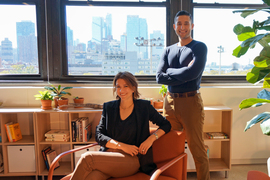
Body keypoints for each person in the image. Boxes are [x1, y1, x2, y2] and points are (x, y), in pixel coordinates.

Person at [70, 71, 171, 180]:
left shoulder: (144, 107)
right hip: (108, 156)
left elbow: (166, 124)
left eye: (125, 86)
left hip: (132, 160)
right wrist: (121, 146)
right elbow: (99, 135)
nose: (121, 90)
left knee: (87, 158)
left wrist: (151, 139)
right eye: (118, 87)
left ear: (133, 88)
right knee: (91, 177)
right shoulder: (109, 108)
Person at [156, 10, 210, 180]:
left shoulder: (199, 47)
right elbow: (159, 77)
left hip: (190, 102)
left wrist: (170, 73)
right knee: (169, 147)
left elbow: (192, 74)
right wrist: (183, 73)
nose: (183, 27)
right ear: (174, 27)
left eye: (186, 23)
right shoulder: (168, 50)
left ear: (192, 26)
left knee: (197, 149)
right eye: (179, 23)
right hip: (169, 103)